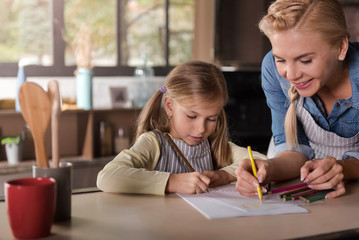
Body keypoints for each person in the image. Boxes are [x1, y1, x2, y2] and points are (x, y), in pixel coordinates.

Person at [236, 0, 359, 199]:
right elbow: (292, 149)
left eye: (305, 60)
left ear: (341, 47)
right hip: (304, 189)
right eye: (281, 59)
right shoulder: (272, 69)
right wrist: (268, 168)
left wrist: (343, 168)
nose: (291, 74)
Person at [97, 61, 267, 195]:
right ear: (170, 106)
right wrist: (172, 182)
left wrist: (223, 175)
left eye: (211, 119)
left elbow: (262, 161)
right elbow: (107, 177)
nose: (201, 128)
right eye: (192, 116)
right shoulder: (154, 143)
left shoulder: (214, 144)